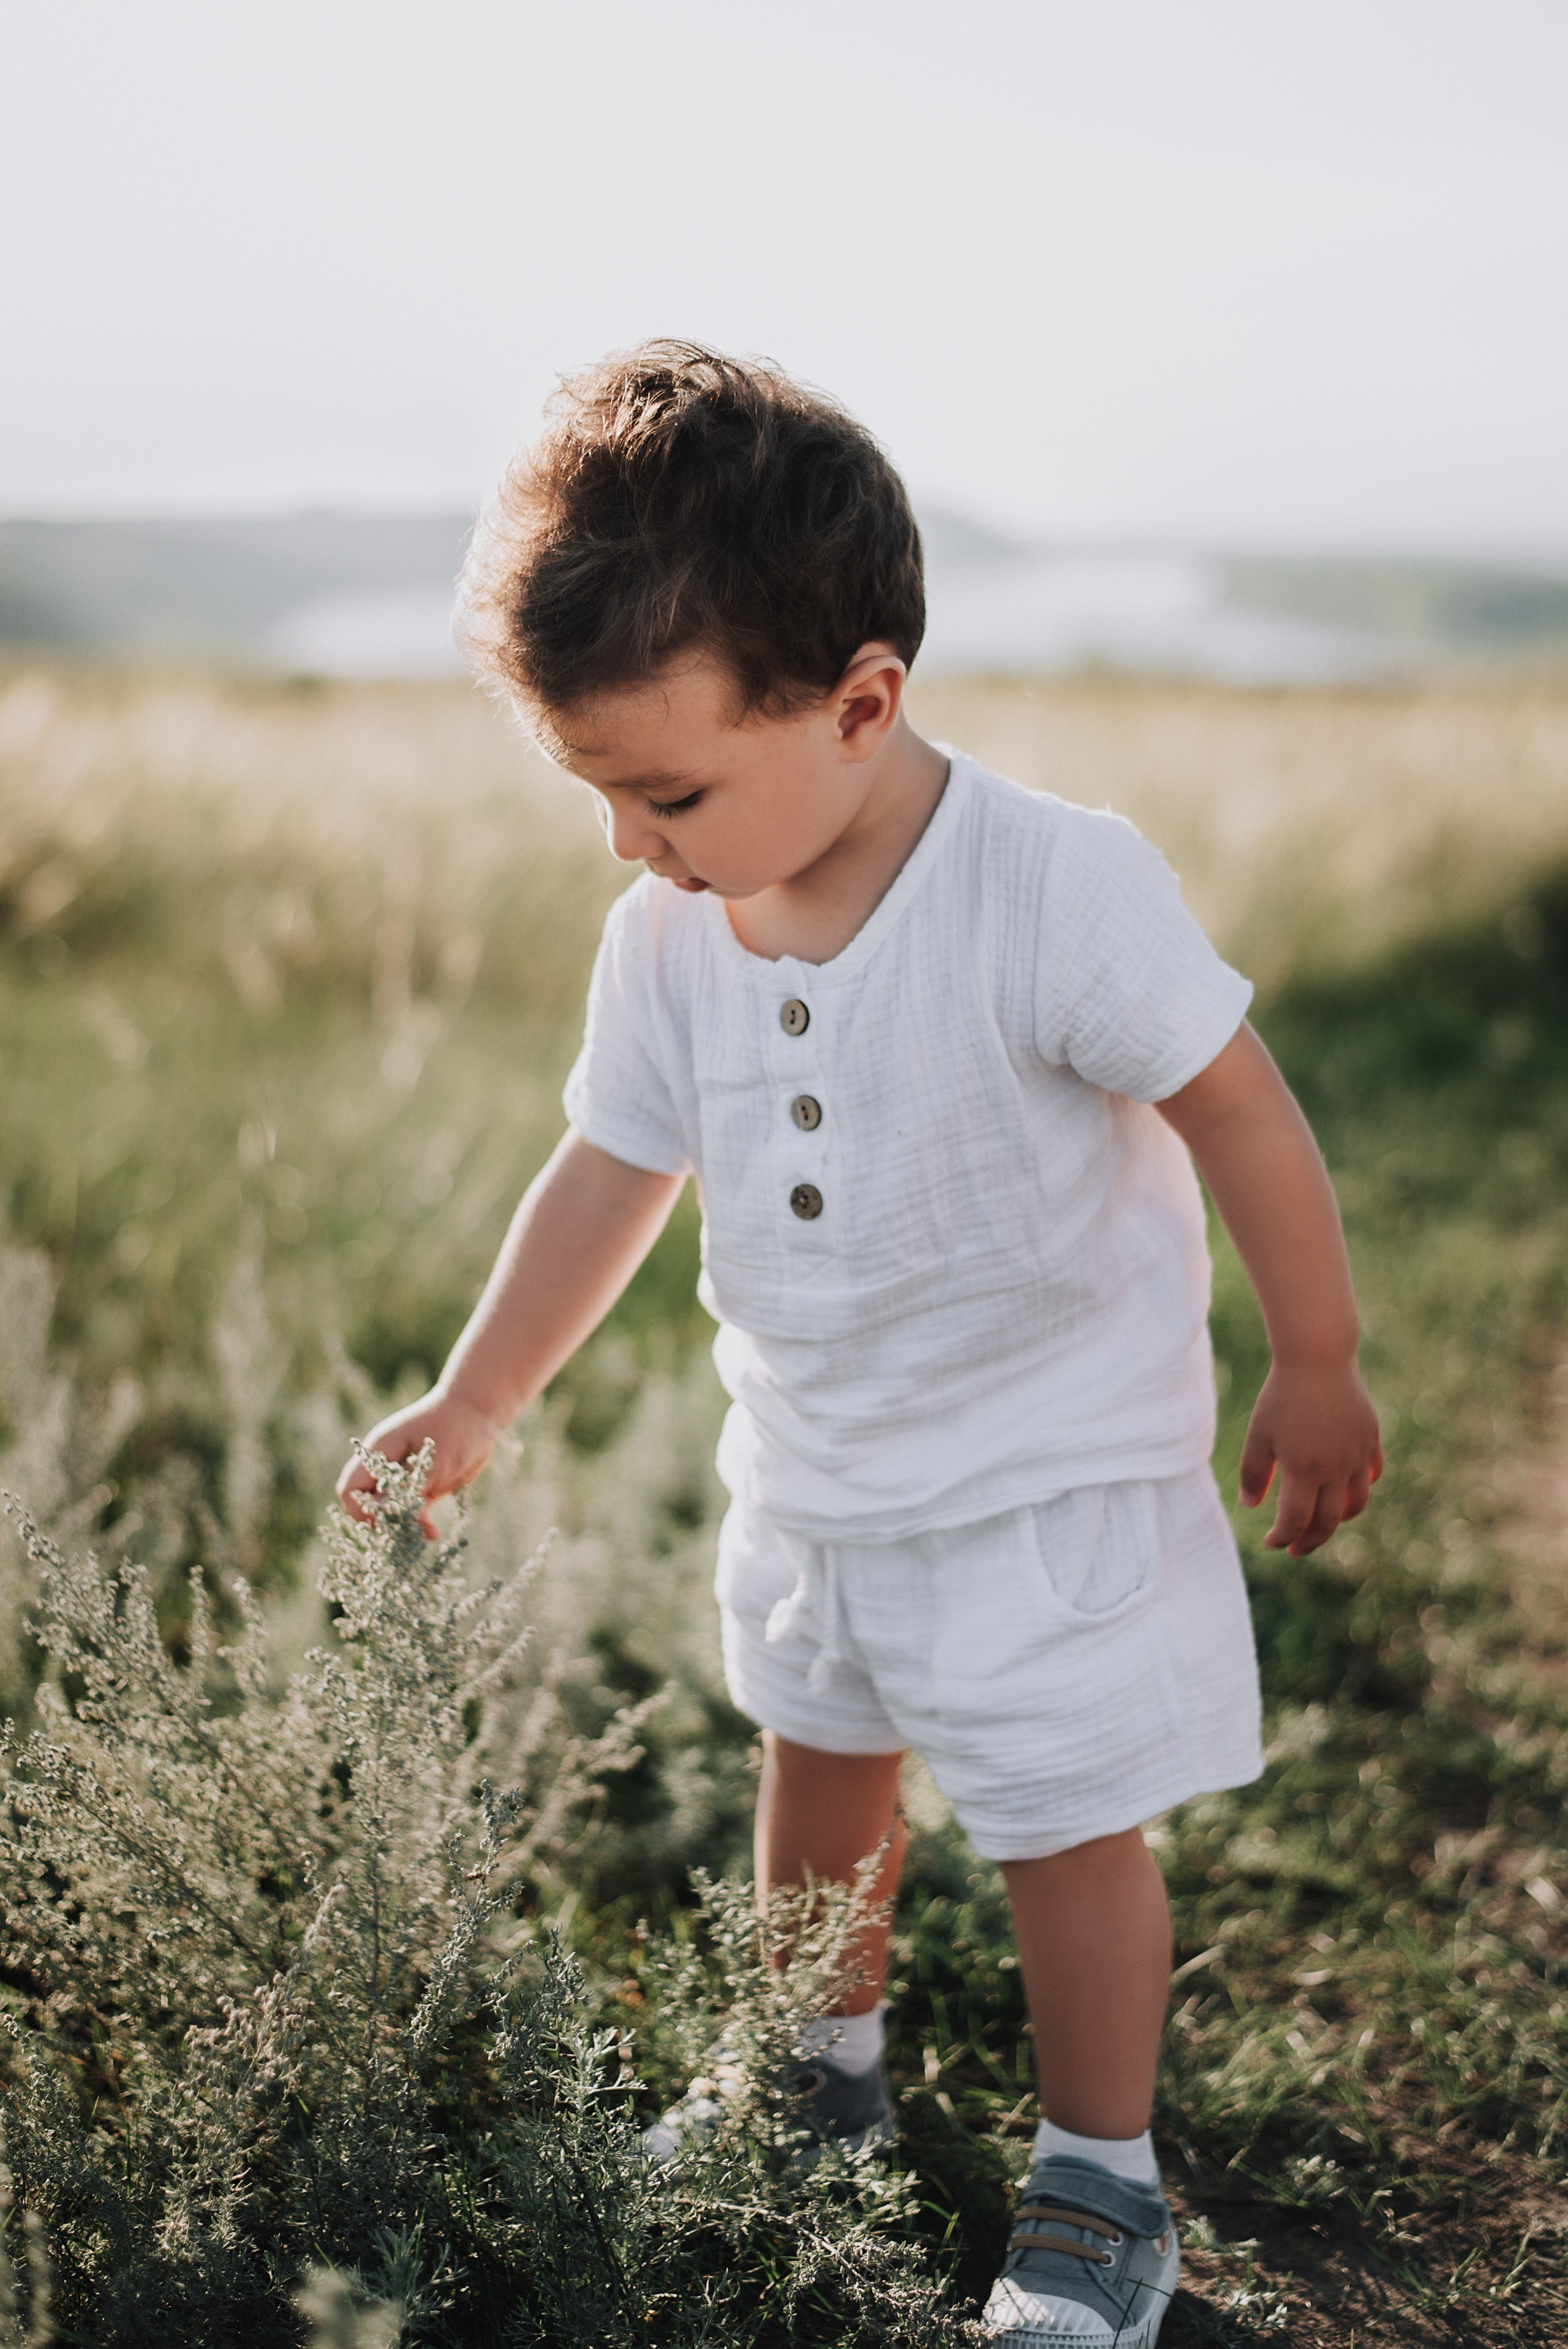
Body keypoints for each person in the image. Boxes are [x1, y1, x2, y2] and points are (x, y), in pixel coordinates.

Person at [337, 341, 1382, 2347]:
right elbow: (606, 1168)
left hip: (1045, 1471)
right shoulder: (665, 936)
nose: (630, 847)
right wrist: (482, 1392)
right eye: (601, 798)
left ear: (862, 700)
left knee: (1070, 1825)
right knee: (816, 1778)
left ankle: (1101, 2184)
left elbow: (1233, 1099)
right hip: (816, 1470)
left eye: (665, 791)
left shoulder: (1047, 886)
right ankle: (812, 2081)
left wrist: (1314, 1348)